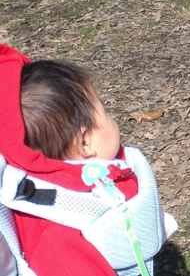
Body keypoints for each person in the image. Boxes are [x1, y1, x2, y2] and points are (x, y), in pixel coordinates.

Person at [0, 45, 175, 276]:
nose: (115, 121)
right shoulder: (59, 228)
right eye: (106, 114)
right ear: (85, 142)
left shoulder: (71, 179)